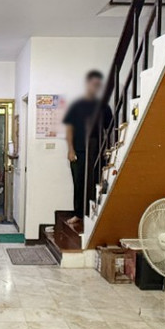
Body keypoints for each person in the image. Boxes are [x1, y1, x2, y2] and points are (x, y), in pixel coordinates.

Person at [62, 70, 114, 229]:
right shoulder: (77, 106)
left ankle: (94, 213)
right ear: (87, 84)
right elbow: (69, 129)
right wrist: (70, 150)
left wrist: (108, 149)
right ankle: (78, 214)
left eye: (98, 85)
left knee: (97, 183)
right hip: (78, 151)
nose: (95, 87)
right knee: (79, 184)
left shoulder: (104, 107)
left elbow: (109, 129)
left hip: (97, 152)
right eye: (93, 84)